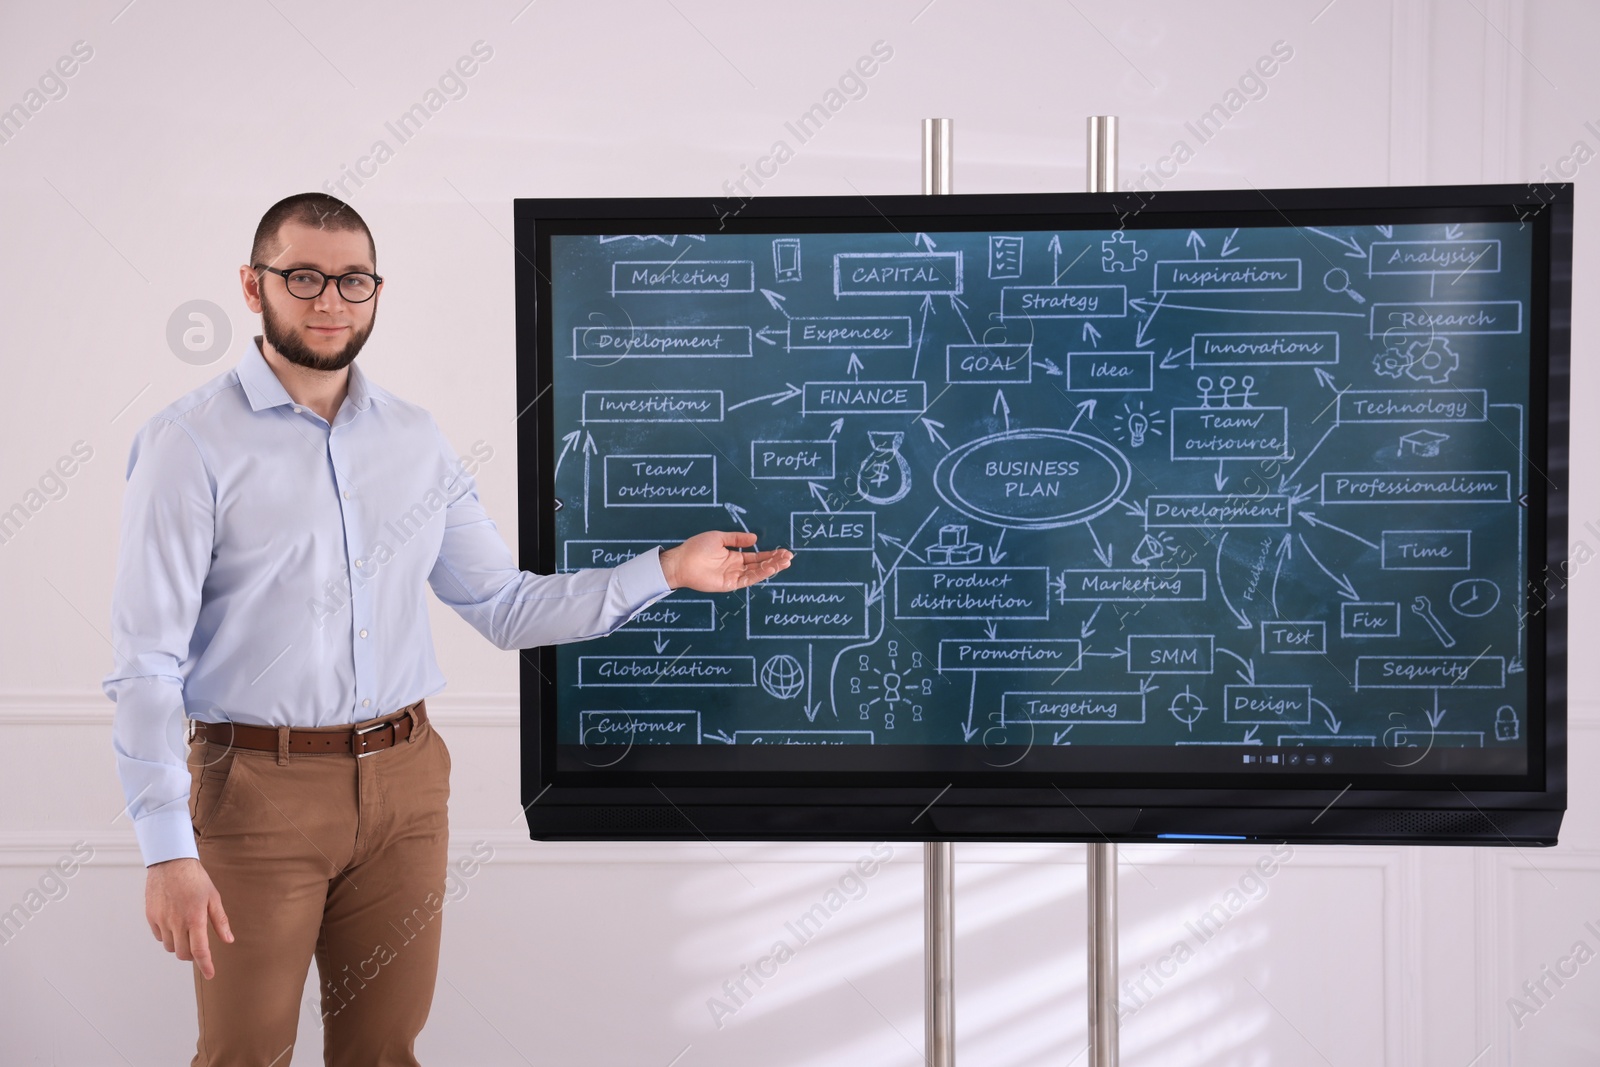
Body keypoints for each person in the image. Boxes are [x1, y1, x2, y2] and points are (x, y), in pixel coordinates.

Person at [102, 191, 792, 1066]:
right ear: (252, 285)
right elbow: (145, 662)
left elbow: (503, 606)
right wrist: (165, 850)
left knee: (385, 1050)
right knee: (244, 1053)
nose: (330, 301)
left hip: (405, 787)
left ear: (377, 292)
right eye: (304, 276)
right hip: (256, 792)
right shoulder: (186, 444)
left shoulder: (415, 440)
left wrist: (667, 568)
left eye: (355, 281)